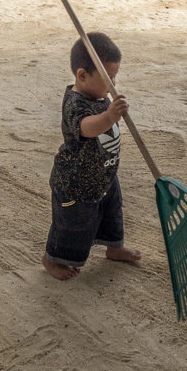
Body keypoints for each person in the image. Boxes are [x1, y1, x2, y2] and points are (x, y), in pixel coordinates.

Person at [42, 32, 143, 280]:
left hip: (105, 174)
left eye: (115, 77)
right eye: (108, 79)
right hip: (76, 183)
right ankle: (52, 258)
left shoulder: (99, 94)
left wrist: (112, 110)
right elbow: (86, 128)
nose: (113, 85)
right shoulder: (74, 103)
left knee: (112, 213)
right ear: (82, 75)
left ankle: (114, 247)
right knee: (72, 225)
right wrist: (109, 117)